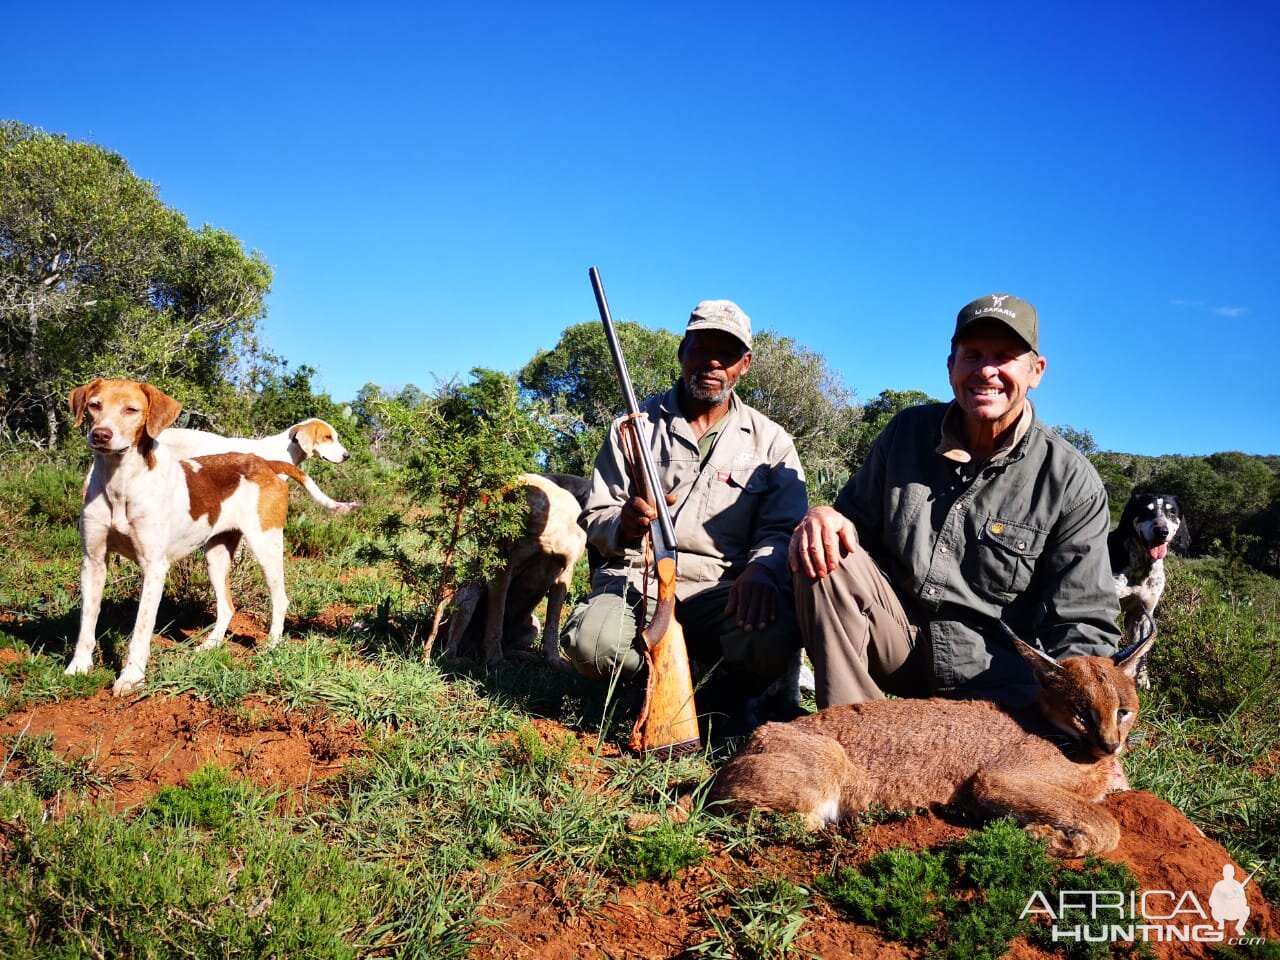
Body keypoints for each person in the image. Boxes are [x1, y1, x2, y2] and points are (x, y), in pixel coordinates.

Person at [788, 293, 1121, 709]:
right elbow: (852, 524)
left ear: (1036, 371)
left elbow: (1084, 621)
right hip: (902, 644)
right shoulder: (906, 432)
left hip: (999, 674)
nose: (986, 371)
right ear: (951, 367)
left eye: (1004, 357)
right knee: (827, 554)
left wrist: (1076, 707)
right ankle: (853, 733)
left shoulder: (1071, 479)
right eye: (972, 355)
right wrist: (823, 516)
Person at [561, 299, 808, 729]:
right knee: (591, 644)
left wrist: (761, 571)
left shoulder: (772, 441)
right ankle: (665, 689)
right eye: (700, 348)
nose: (711, 362)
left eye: (726, 353)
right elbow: (594, 514)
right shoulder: (631, 428)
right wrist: (624, 524)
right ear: (682, 352)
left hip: (722, 591)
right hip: (636, 582)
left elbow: (782, 528)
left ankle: (707, 691)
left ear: (744, 365)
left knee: (778, 632)